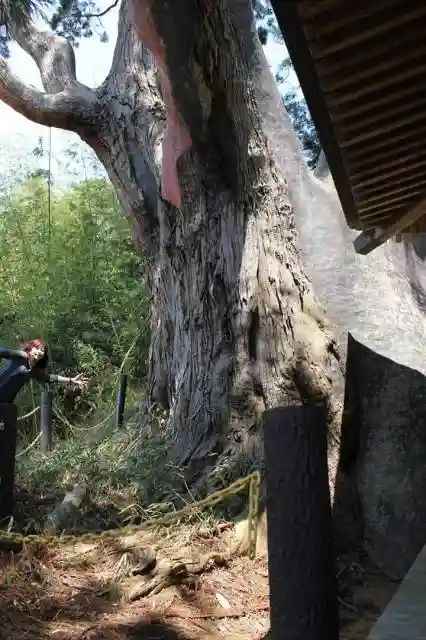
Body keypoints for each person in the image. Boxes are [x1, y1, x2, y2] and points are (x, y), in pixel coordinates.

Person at [0, 338, 88, 404]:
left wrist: (71, 380)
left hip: (5, 403)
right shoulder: (21, 356)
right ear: (31, 348)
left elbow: (49, 378)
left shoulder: (32, 370)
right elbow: (2, 351)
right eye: (38, 348)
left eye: (42, 351)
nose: (40, 352)